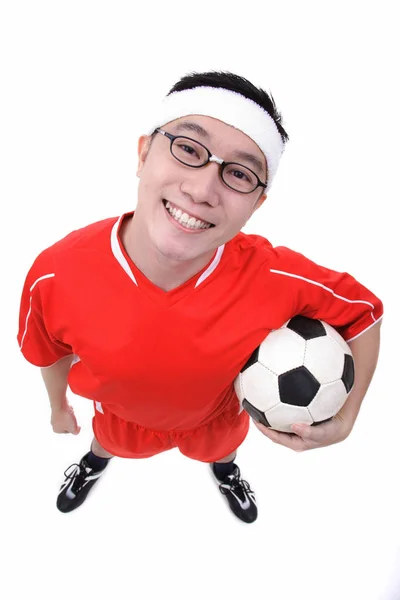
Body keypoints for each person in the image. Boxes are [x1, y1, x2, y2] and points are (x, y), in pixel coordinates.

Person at [17, 71, 383, 524]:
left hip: (216, 422)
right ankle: (93, 463)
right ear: (144, 153)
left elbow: (365, 313)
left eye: (240, 174)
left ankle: (226, 472)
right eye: (188, 149)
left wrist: (348, 417)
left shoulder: (274, 276)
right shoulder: (56, 274)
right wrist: (58, 408)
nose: (202, 190)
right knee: (106, 443)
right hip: (122, 421)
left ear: (257, 205)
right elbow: (47, 352)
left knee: (222, 452)